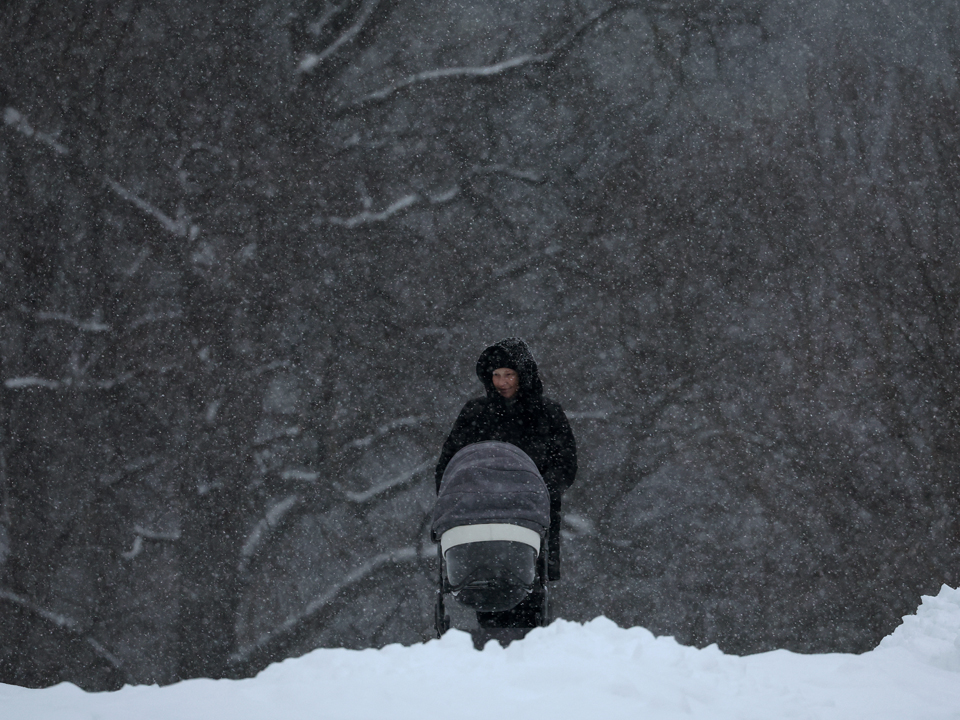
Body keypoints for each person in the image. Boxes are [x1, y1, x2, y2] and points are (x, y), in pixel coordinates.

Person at [435, 337, 577, 628]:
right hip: (480, 517)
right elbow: (450, 463)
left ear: (523, 376)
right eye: (496, 375)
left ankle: (525, 650)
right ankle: (495, 650)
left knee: (529, 593)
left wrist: (537, 492)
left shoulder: (548, 414)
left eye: (509, 374)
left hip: (529, 518)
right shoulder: (475, 413)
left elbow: (565, 467)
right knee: (482, 587)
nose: (501, 382)